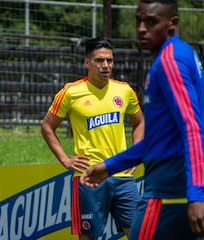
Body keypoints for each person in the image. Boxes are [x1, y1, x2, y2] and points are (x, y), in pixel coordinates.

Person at [80, 0, 204, 239]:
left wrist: (196, 194)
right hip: (181, 182)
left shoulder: (170, 62)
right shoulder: (184, 53)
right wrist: (109, 167)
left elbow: (192, 127)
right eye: (139, 20)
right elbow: (160, 137)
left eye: (151, 22)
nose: (141, 28)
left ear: (172, 24)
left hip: (169, 187)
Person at [41, 37, 144, 240]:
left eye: (109, 60)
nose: (105, 65)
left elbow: (139, 122)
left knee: (141, 234)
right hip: (88, 177)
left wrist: (135, 153)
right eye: (99, 60)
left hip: (122, 176)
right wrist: (65, 160)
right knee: (88, 237)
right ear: (87, 62)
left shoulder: (124, 90)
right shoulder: (70, 92)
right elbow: (47, 126)